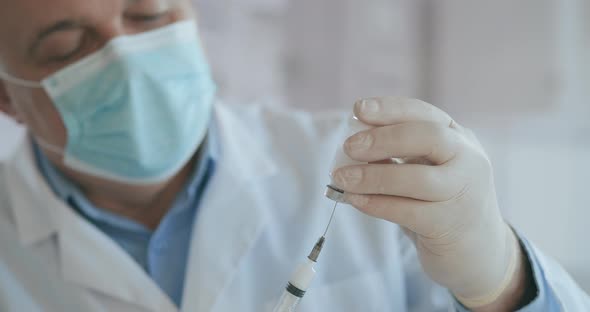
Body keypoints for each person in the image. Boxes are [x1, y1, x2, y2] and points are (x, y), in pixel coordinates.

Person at [0, 0, 587, 311]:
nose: (125, 61)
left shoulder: (364, 170)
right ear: (8, 96)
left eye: (149, 17)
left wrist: (502, 281)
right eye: (65, 47)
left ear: (193, 19)